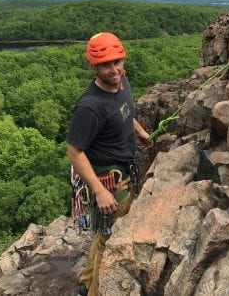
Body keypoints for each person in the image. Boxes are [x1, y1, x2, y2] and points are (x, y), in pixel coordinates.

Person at [67, 32, 152, 296]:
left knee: (103, 234)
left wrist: (141, 133)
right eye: (106, 65)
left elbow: (127, 112)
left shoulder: (122, 82)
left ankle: (85, 282)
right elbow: (74, 151)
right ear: (95, 67)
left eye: (118, 61)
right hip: (110, 182)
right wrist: (100, 191)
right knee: (108, 237)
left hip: (122, 171)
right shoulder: (90, 107)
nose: (114, 69)